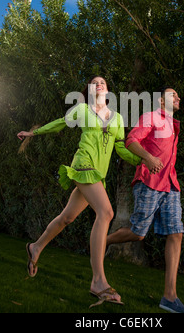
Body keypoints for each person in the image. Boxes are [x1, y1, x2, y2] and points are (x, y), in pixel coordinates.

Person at [17, 76, 142, 307]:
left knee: (67, 217)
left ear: (107, 89)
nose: (99, 83)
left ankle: (35, 247)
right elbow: (60, 123)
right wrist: (33, 134)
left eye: (102, 81)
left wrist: (143, 159)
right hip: (83, 165)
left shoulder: (117, 118)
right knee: (106, 213)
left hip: (98, 175)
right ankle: (98, 281)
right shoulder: (82, 109)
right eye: (94, 82)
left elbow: (122, 150)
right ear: (89, 90)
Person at [106, 87, 184, 313]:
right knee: (138, 233)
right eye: (173, 95)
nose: (178, 98)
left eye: (178, 95)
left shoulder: (173, 125)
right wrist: (148, 157)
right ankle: (101, 242)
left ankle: (170, 298)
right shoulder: (151, 117)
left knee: (176, 234)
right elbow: (131, 140)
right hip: (149, 182)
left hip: (171, 185)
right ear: (160, 100)